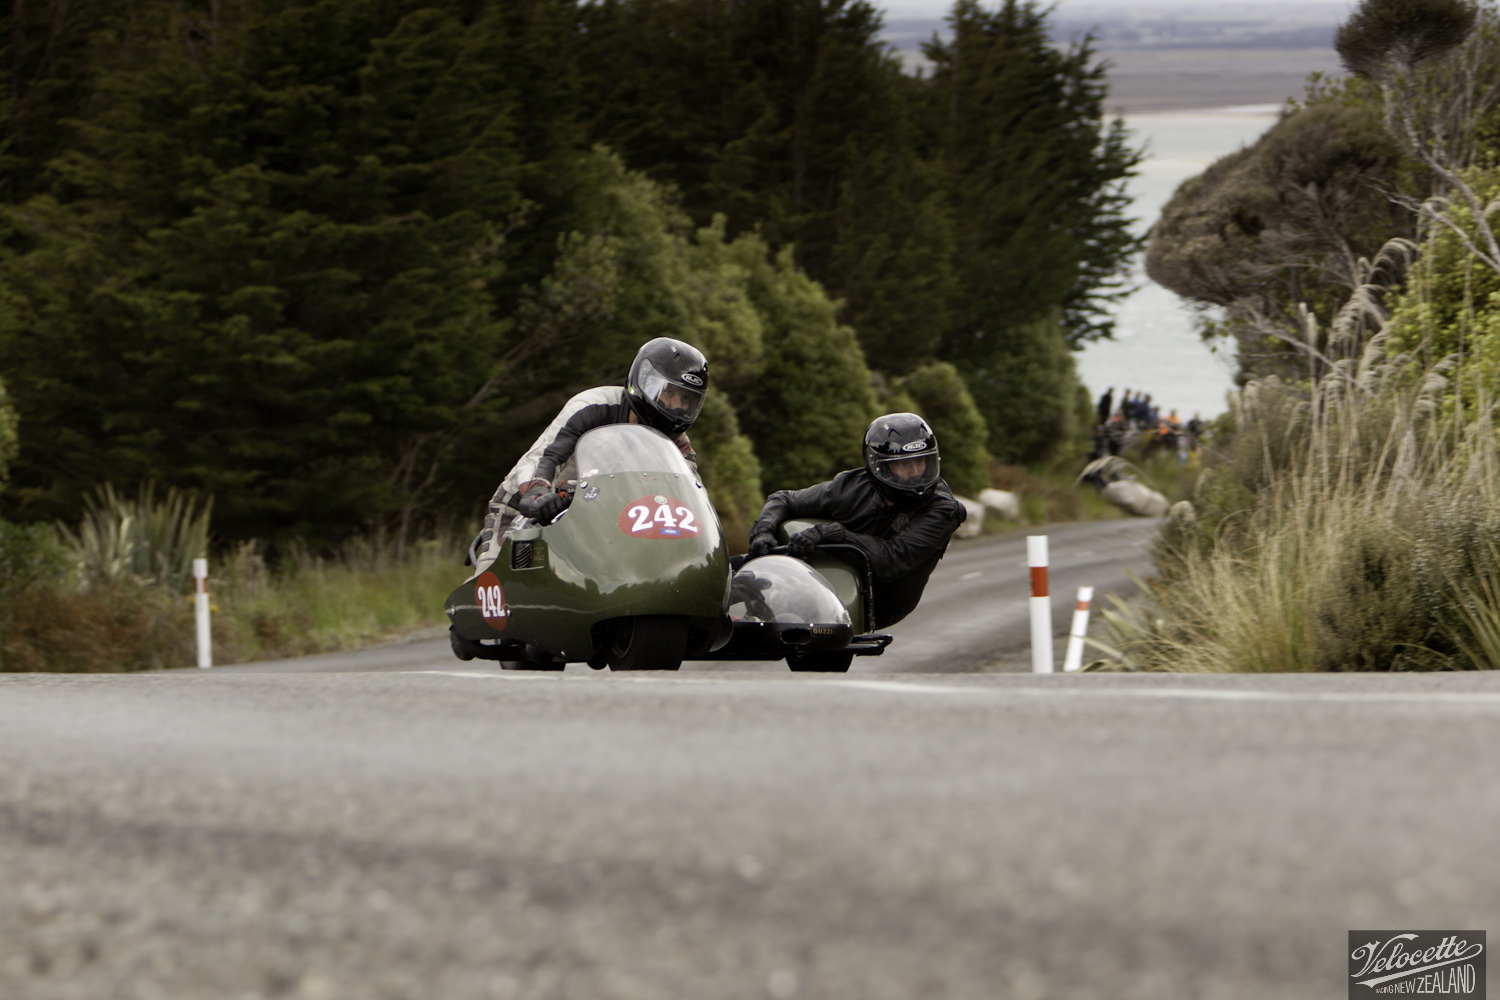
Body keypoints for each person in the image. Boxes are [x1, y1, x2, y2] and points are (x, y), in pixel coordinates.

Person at [469, 337, 708, 574]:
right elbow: (543, 457)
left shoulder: (677, 443)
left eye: (686, 399)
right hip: (526, 509)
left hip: (599, 518)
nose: (677, 406)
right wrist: (537, 492)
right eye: (670, 393)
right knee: (493, 589)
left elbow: (689, 494)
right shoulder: (592, 405)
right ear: (645, 381)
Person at [745, 413, 967, 630]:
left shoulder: (942, 508)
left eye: (921, 462)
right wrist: (764, 532)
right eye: (903, 464)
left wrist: (834, 535)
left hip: (882, 602)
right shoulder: (848, 487)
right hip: (825, 583)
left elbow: (892, 561)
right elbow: (784, 499)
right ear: (879, 466)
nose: (915, 473)